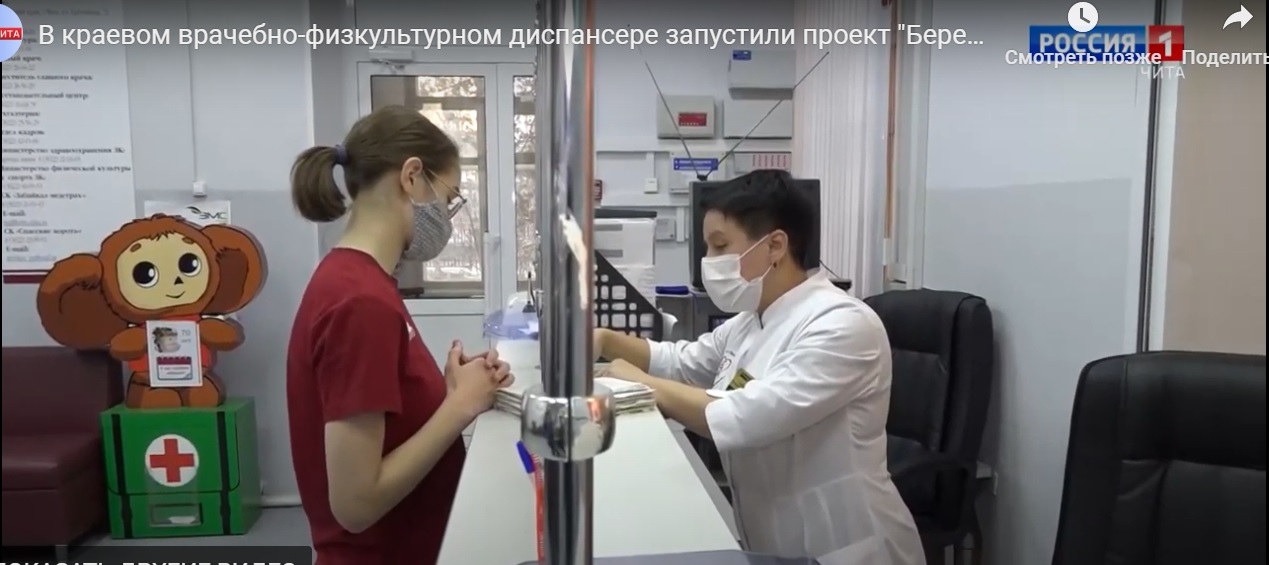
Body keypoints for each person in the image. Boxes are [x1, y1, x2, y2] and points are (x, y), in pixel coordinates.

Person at [596, 170, 925, 565]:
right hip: (774, 536)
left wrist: (642, 384)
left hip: (847, 547)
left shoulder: (842, 324)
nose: (708, 261)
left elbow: (747, 417)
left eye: (720, 246)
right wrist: (604, 339)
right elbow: (682, 362)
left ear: (775, 246)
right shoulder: (751, 320)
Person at [286, 105, 514, 565]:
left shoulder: (360, 281)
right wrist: (461, 405)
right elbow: (355, 504)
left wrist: (445, 391)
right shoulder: (359, 302)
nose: (447, 217)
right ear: (411, 177)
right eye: (448, 198)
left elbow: (385, 418)